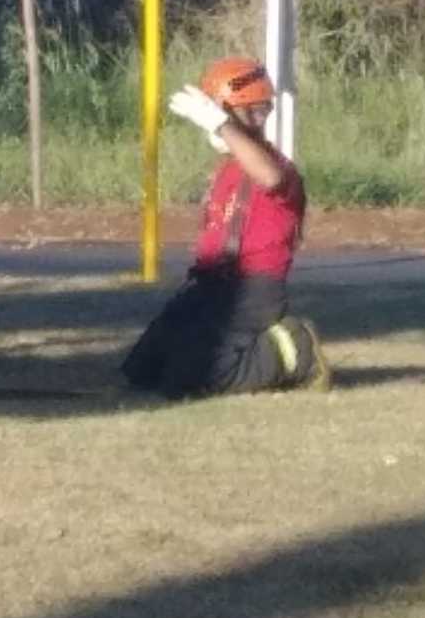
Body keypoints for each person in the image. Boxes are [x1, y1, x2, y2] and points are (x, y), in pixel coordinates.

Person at [121, 55, 331, 399]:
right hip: (210, 286)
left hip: (252, 288)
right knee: (144, 370)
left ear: (256, 112)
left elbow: (270, 177)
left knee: (199, 379)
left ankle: (296, 349)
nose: (213, 126)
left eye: (221, 113)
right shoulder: (227, 168)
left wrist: (222, 126)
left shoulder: (276, 166)